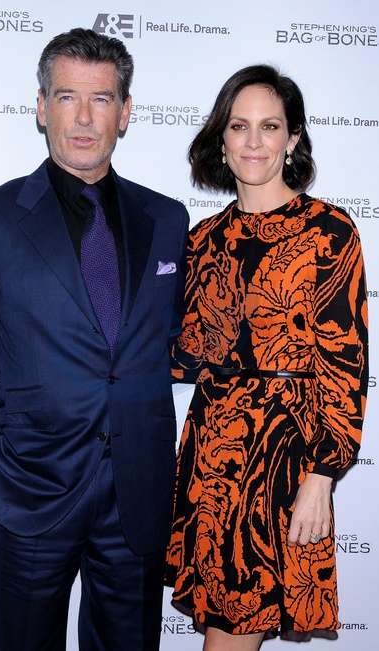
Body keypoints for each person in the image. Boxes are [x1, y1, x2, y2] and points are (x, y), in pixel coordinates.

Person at [0, 27, 189, 651]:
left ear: (125, 112)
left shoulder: (167, 219)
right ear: (42, 107)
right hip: (30, 494)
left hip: (138, 496)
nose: (84, 117)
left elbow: (173, 342)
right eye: (67, 96)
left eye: (101, 99)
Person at [165, 64, 368, 650]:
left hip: (285, 457)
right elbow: (186, 354)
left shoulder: (329, 231)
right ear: (222, 140)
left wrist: (322, 476)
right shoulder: (201, 239)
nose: (254, 141)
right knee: (225, 630)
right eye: (239, 126)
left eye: (270, 126)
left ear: (293, 138)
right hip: (212, 453)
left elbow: (345, 363)